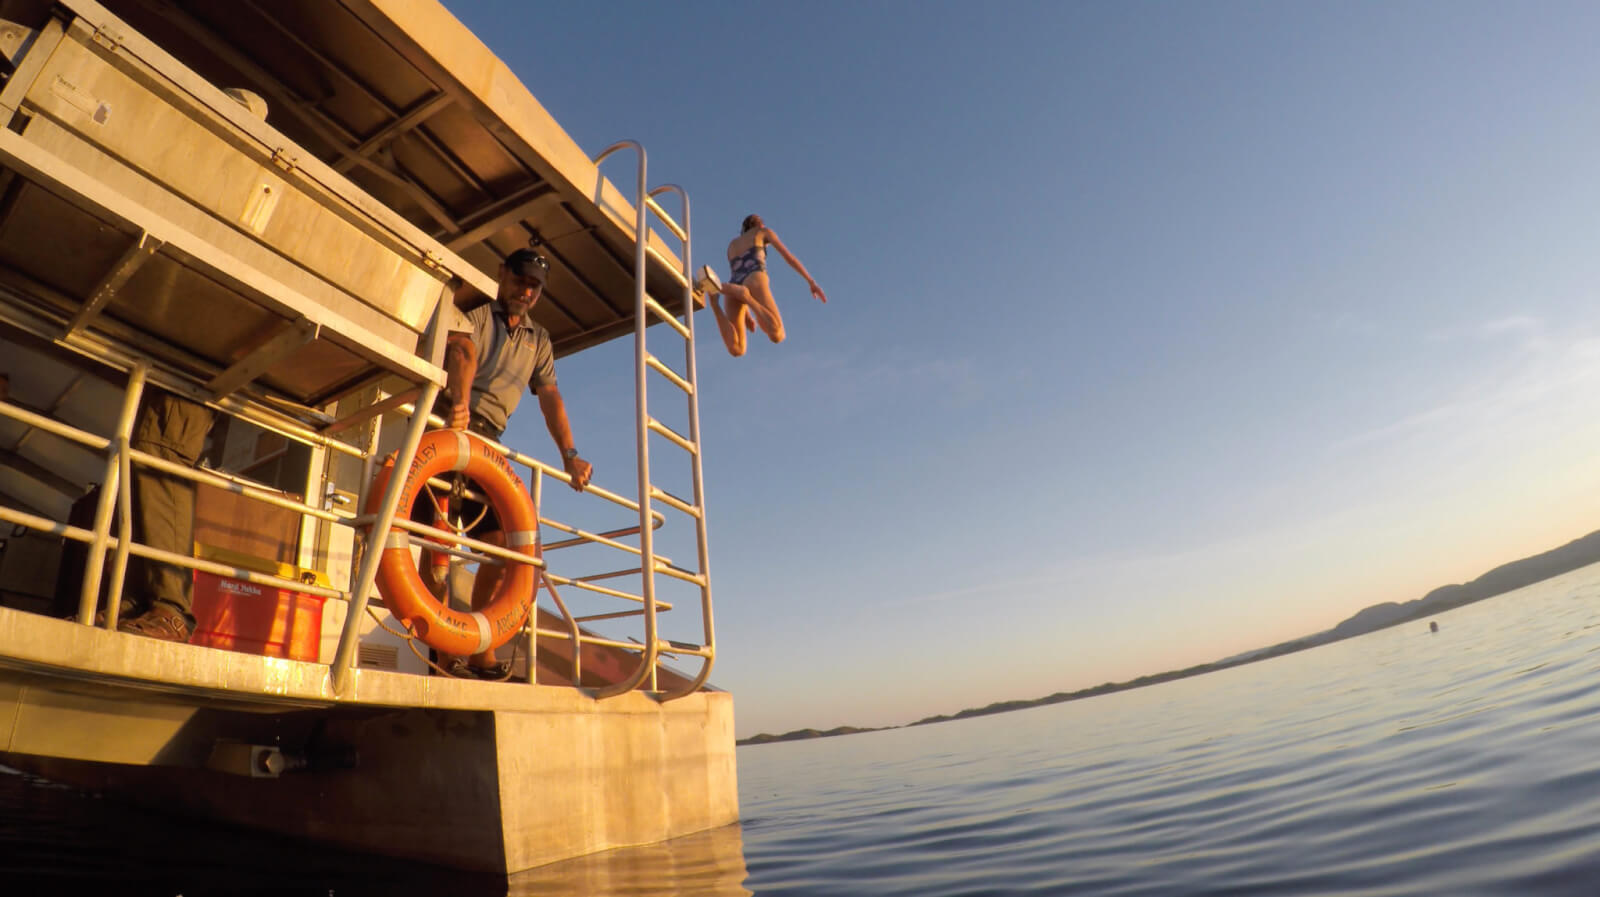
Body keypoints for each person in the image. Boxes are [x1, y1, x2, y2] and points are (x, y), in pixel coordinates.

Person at [425, 247, 593, 679]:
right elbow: (461, 352)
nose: (526, 291)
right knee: (437, 544)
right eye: (520, 281)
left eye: (535, 286)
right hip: (446, 428)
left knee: (501, 544)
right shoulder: (478, 315)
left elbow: (550, 396)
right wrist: (459, 405)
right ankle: (442, 652)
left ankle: (481, 650)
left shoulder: (539, 340)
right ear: (503, 275)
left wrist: (570, 455)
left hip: (490, 442)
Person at [695, 214, 826, 357]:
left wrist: (747, 315)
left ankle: (714, 303)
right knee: (777, 333)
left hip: (733, 284)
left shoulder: (732, 244)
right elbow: (789, 258)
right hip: (754, 277)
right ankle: (747, 298)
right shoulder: (763, 232)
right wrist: (811, 282)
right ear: (760, 225)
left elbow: (738, 276)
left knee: (737, 349)